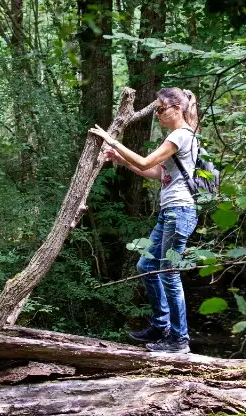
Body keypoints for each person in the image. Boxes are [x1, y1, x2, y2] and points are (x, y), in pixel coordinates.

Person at [88, 87, 200, 354]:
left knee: (169, 273)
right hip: (170, 211)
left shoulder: (181, 136)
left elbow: (146, 158)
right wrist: (121, 160)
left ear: (177, 109)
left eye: (160, 109)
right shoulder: (179, 137)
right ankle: (161, 325)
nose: (158, 114)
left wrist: (111, 140)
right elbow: (154, 172)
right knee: (147, 264)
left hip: (181, 211)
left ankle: (179, 339)